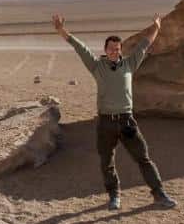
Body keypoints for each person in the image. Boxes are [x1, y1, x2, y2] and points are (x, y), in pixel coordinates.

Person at [52, 12, 176, 211]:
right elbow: (79, 47)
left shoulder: (129, 64)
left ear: (120, 50)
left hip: (127, 121)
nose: (113, 52)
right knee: (106, 161)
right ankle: (114, 196)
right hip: (105, 123)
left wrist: (156, 28)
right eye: (110, 49)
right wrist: (61, 30)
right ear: (105, 49)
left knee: (143, 158)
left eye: (117, 49)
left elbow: (144, 44)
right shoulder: (96, 66)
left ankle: (159, 194)